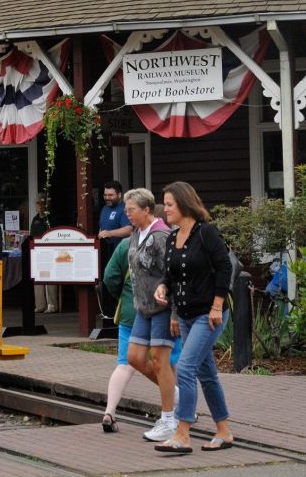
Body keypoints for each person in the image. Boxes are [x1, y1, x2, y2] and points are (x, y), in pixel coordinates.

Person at [153, 181, 234, 455]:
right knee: (206, 374)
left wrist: (217, 305)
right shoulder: (172, 238)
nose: (165, 209)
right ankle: (224, 431)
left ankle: (182, 433)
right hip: (186, 315)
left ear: (184, 204)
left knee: (186, 369)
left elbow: (224, 268)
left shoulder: (206, 233)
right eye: (165, 204)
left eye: (169, 205)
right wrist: (163, 287)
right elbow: (170, 275)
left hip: (208, 315)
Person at [101, 230, 181, 433]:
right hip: (159, 311)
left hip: (130, 310)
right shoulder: (167, 242)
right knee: (168, 362)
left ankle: (109, 412)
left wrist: (123, 294)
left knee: (124, 365)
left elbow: (109, 276)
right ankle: (175, 407)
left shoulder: (125, 244)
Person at [123, 187, 176, 443]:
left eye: (131, 210)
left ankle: (169, 419)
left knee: (158, 360)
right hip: (143, 306)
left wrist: (174, 310)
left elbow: (173, 273)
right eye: (126, 210)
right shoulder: (136, 233)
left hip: (162, 307)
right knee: (134, 357)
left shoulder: (161, 235)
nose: (127, 214)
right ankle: (177, 394)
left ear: (146, 210)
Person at [30, 196, 58, 314]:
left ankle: (52, 305)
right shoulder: (35, 219)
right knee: (37, 277)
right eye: (37, 203)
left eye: (41, 203)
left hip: (50, 251)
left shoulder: (50, 219)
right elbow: (32, 235)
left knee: (49, 277)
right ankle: (40, 305)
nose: (39, 206)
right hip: (37, 251)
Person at [98, 181, 131, 258]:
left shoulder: (125, 208)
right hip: (105, 254)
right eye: (105, 195)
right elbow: (102, 227)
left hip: (121, 254)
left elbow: (129, 230)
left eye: (110, 195)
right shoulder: (104, 208)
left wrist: (109, 233)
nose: (107, 198)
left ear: (119, 195)